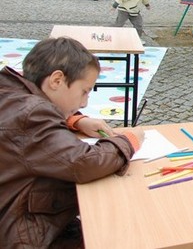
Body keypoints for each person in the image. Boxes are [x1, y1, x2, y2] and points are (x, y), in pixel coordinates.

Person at [0, 37, 144, 248]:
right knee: (118, 237)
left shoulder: (11, 93)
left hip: (17, 215)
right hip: (23, 233)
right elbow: (83, 163)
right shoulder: (32, 115)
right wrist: (129, 141)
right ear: (57, 80)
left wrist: (75, 120)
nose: (84, 103)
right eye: (84, 91)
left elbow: (27, 131)